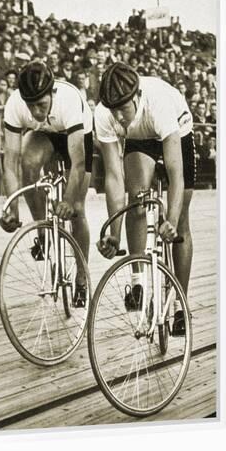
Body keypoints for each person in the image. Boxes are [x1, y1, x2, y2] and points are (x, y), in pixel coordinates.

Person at [95, 62, 195, 336]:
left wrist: (171, 220)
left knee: (181, 227)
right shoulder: (105, 114)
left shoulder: (158, 103)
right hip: (140, 138)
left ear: (137, 96)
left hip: (177, 129)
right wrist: (113, 235)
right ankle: (138, 281)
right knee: (136, 198)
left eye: (123, 109)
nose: (118, 116)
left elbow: (177, 176)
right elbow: (114, 178)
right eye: (113, 110)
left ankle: (179, 304)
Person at [0, 60, 93, 307]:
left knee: (77, 210)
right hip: (45, 134)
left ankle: (82, 278)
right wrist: (12, 208)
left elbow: (79, 163)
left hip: (76, 136)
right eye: (31, 106)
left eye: (41, 105)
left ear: (52, 93)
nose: (36, 112)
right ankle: (42, 232)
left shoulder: (69, 101)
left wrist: (69, 200)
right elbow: (10, 162)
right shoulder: (14, 104)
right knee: (28, 165)